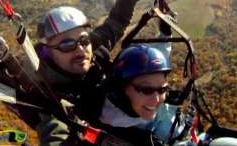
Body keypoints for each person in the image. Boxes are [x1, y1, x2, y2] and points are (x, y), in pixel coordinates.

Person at [16, 0, 146, 145]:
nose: (80, 49)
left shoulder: (92, 47)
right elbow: (55, 133)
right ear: (48, 51)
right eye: (67, 44)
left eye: (83, 40)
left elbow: (116, 21)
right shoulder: (49, 95)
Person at [91, 44, 237, 146]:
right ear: (122, 89)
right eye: (147, 90)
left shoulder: (140, 104)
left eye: (162, 89)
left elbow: (154, 56)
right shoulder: (111, 126)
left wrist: (165, 34)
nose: (156, 99)